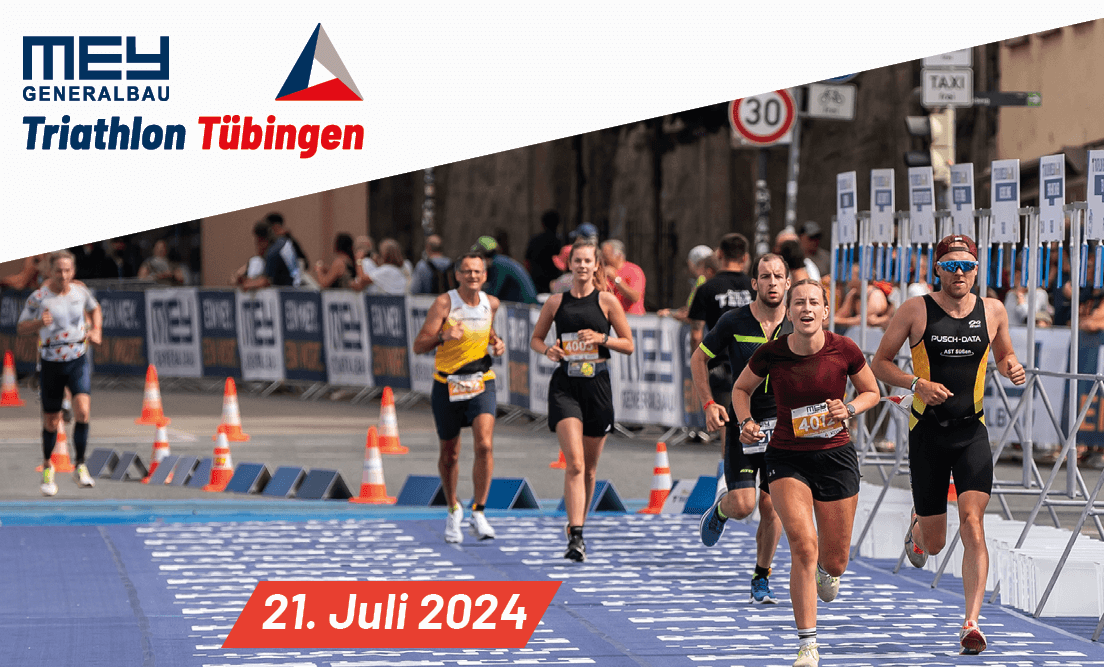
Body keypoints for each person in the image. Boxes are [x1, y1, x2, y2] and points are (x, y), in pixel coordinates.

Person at [872, 235, 1026, 656]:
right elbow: (880, 363)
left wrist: (1011, 367)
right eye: (951, 266)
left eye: (967, 266)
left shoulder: (992, 309)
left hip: (971, 431)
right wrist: (916, 383)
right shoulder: (915, 309)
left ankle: (971, 623)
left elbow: (1004, 355)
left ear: (977, 269)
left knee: (973, 523)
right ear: (937, 269)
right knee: (936, 543)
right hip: (928, 432)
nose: (960, 273)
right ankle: (918, 527)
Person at [732, 278, 880, 667]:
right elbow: (740, 389)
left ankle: (827, 573)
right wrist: (746, 421)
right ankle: (807, 645)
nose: (807, 308)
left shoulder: (844, 349)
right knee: (803, 545)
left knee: (835, 561)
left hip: (835, 457)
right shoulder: (772, 353)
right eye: (799, 302)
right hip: (787, 457)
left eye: (814, 302)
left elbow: (872, 392)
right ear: (789, 311)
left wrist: (849, 408)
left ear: (826, 311)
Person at [693, 253, 790, 604]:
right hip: (743, 422)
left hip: (783, 429)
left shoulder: (798, 323)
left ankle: (761, 577)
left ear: (788, 283)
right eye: (765, 276)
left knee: (772, 506)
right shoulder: (734, 320)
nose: (772, 282)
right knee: (744, 505)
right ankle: (721, 509)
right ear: (754, 283)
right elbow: (699, 358)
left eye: (778, 276)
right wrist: (708, 403)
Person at [530, 238, 634, 561]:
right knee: (574, 463)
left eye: (588, 261)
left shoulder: (606, 301)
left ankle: (579, 525)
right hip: (566, 385)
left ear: (596, 266)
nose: (582, 266)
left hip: (597, 385)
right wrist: (548, 350)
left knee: (589, 470)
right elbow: (536, 339)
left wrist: (602, 338)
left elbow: (628, 344)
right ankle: (575, 536)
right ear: (570, 265)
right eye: (577, 261)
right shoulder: (555, 302)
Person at [412, 252, 506, 543]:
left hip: (481, 381)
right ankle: (453, 508)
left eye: (477, 271)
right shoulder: (445, 303)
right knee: (449, 454)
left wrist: (496, 342)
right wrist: (443, 336)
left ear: (484, 276)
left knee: (485, 445)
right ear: (458, 275)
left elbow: (487, 331)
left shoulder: (492, 303)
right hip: (447, 384)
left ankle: (479, 511)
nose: (472, 276)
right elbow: (419, 345)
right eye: (467, 271)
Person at [16, 250, 103, 496]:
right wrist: (38, 323)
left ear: (72, 271)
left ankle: (80, 465)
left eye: (67, 271)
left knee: (83, 410)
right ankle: (47, 466)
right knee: (51, 421)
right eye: (58, 271)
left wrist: (96, 330)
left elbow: (95, 309)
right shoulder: (39, 297)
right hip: (51, 363)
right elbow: (21, 327)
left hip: (77, 359)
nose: (63, 276)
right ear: (50, 271)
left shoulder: (80, 292)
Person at [688, 233, 754, 445]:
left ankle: (729, 465)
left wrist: (699, 363)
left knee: (728, 426)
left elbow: (696, 334)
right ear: (745, 257)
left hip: (721, 364)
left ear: (719, 255)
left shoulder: (707, 289)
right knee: (754, 422)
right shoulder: (755, 287)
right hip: (754, 363)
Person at [473, 236, 538, 304]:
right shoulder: (500, 260)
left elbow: (493, 292)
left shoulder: (498, 264)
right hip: (522, 303)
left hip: (524, 306)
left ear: (483, 255)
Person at [657, 244, 714, 323]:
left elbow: (694, 314)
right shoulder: (704, 281)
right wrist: (674, 312)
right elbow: (691, 308)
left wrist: (671, 314)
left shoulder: (703, 281)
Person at [233, 220, 297, 289]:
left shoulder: (272, 253)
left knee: (256, 261)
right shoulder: (281, 242)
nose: (257, 247)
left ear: (261, 241)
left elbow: (266, 282)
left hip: (289, 290)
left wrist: (248, 284)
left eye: (257, 242)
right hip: (293, 286)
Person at [600, 239, 646, 314]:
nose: (603, 259)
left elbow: (635, 297)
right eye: (602, 255)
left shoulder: (634, 270)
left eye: (606, 255)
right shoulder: (603, 271)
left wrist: (615, 278)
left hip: (631, 317)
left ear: (618, 255)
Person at [525, 209, 563, 293]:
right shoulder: (560, 242)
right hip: (555, 284)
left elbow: (527, 262)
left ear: (543, 224)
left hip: (536, 283)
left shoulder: (535, 240)